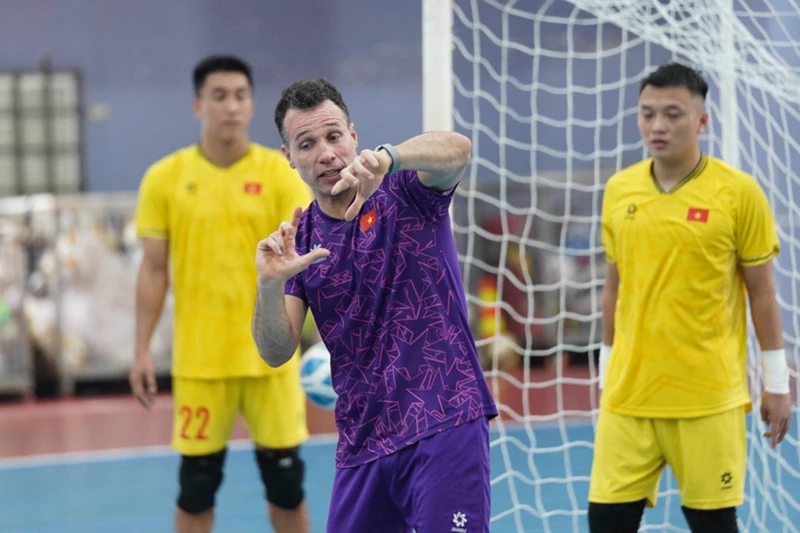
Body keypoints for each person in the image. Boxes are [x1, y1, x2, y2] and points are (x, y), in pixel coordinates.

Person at [251, 78, 499, 533]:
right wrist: (268, 284)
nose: (325, 153)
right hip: (363, 443)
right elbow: (275, 350)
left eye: (333, 136)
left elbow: (458, 149)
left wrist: (390, 157)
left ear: (353, 135)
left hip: (442, 421)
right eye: (306, 144)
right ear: (288, 157)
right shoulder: (299, 242)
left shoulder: (405, 191)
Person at [588, 62, 794, 533]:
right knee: (604, 522)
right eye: (647, 113)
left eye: (673, 113)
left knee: (713, 525)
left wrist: (777, 383)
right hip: (629, 397)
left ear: (702, 121)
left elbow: (762, 294)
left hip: (708, 399)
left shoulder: (739, 193)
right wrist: (606, 366)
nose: (658, 125)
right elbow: (614, 286)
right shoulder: (620, 190)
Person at [129, 55, 313, 533]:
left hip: (270, 358)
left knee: (286, 483)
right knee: (196, 486)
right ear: (197, 105)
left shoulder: (278, 173)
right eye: (219, 96)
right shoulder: (164, 178)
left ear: (252, 105)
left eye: (240, 96)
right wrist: (140, 350)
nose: (230, 107)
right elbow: (152, 272)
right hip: (201, 363)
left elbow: (305, 262)